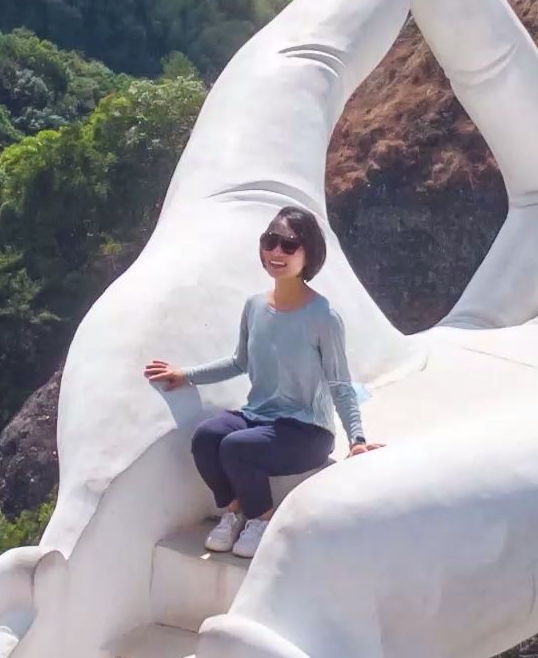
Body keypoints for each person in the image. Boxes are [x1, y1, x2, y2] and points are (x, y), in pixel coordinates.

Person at [145, 205, 381, 557]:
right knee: (207, 439)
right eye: (270, 241)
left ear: (309, 255)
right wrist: (186, 375)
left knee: (237, 447)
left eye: (289, 245)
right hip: (260, 415)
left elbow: (339, 383)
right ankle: (235, 509)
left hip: (306, 431)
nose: (276, 252)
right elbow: (240, 361)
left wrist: (357, 439)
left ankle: (262, 518)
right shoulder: (254, 306)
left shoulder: (323, 317)